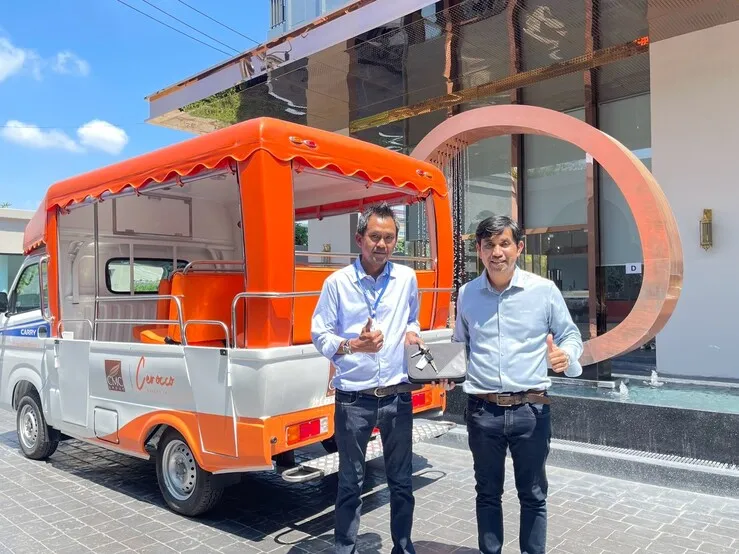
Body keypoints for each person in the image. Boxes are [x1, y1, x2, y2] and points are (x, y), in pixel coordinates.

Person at [452, 215, 583, 554]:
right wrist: (444, 369)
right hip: (483, 412)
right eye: (489, 245)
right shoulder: (467, 294)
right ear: (479, 250)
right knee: (487, 494)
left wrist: (566, 356)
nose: (497, 252)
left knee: (534, 495)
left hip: (530, 411)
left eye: (504, 244)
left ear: (519, 247)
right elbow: (460, 344)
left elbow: (570, 335)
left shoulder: (543, 291)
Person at [311, 202, 424, 554]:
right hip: (353, 400)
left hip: (397, 396)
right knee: (350, 482)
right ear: (359, 239)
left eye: (389, 238)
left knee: (401, 481)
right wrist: (353, 345)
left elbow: (413, 318)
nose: (382, 245)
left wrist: (412, 332)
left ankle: (403, 547)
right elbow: (320, 334)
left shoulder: (406, 278)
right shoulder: (337, 283)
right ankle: (345, 548)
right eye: (375, 237)